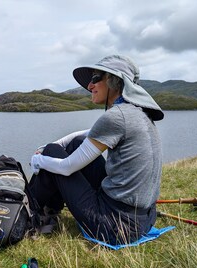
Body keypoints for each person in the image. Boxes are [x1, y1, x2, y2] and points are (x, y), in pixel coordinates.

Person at [29, 55, 164, 245]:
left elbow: (67, 167)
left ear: (113, 81)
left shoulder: (116, 117)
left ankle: (28, 212)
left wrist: (39, 160)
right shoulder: (135, 113)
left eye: (94, 79)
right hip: (144, 220)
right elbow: (85, 135)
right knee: (75, 144)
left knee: (52, 152)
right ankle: (48, 209)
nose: (89, 86)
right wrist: (53, 147)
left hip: (115, 226)